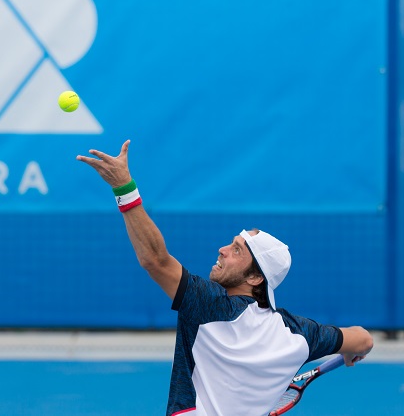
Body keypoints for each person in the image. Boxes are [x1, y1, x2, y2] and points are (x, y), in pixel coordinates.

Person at [76, 140, 374, 416]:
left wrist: (124, 188)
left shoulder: (208, 305)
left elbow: (155, 260)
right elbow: (363, 338)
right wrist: (350, 350)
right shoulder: (298, 333)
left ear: (256, 277)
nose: (222, 250)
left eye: (236, 250)